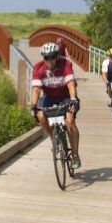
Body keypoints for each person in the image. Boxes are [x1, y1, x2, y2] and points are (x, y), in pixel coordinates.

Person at [30, 41, 81, 169]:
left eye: (52, 57)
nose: (50, 60)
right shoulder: (38, 68)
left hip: (66, 97)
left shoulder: (65, 64)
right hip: (49, 97)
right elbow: (36, 89)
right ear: (43, 58)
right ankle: (53, 136)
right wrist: (33, 105)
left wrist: (74, 99)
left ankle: (75, 155)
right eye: (47, 58)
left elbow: (70, 84)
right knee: (40, 116)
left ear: (57, 56)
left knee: (70, 121)